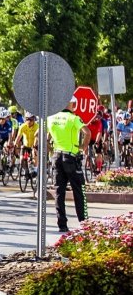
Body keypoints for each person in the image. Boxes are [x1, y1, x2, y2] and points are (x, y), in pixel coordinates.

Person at [47, 98, 90, 233]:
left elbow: (40, 136)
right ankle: (84, 223)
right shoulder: (73, 118)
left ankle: (62, 224)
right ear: (72, 104)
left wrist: (51, 150)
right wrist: (83, 147)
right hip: (71, 157)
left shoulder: (51, 118)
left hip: (57, 156)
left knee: (59, 192)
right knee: (79, 191)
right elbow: (87, 132)